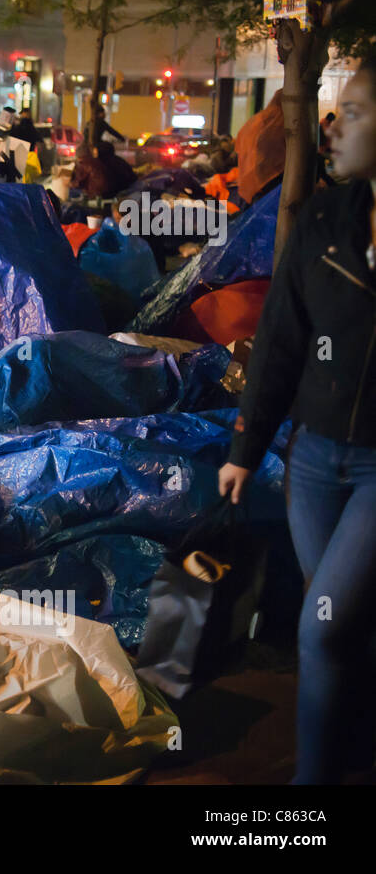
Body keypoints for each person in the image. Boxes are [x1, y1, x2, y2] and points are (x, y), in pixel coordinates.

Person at [218, 58, 376, 784]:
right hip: (313, 462)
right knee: (340, 628)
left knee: (324, 623)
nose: (334, 125)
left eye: (357, 110)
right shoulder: (320, 220)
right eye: (335, 109)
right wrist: (246, 448)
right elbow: (281, 338)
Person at [70, 140, 136, 200]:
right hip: (124, 189)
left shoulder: (94, 163)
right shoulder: (115, 160)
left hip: (110, 193)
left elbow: (100, 184)